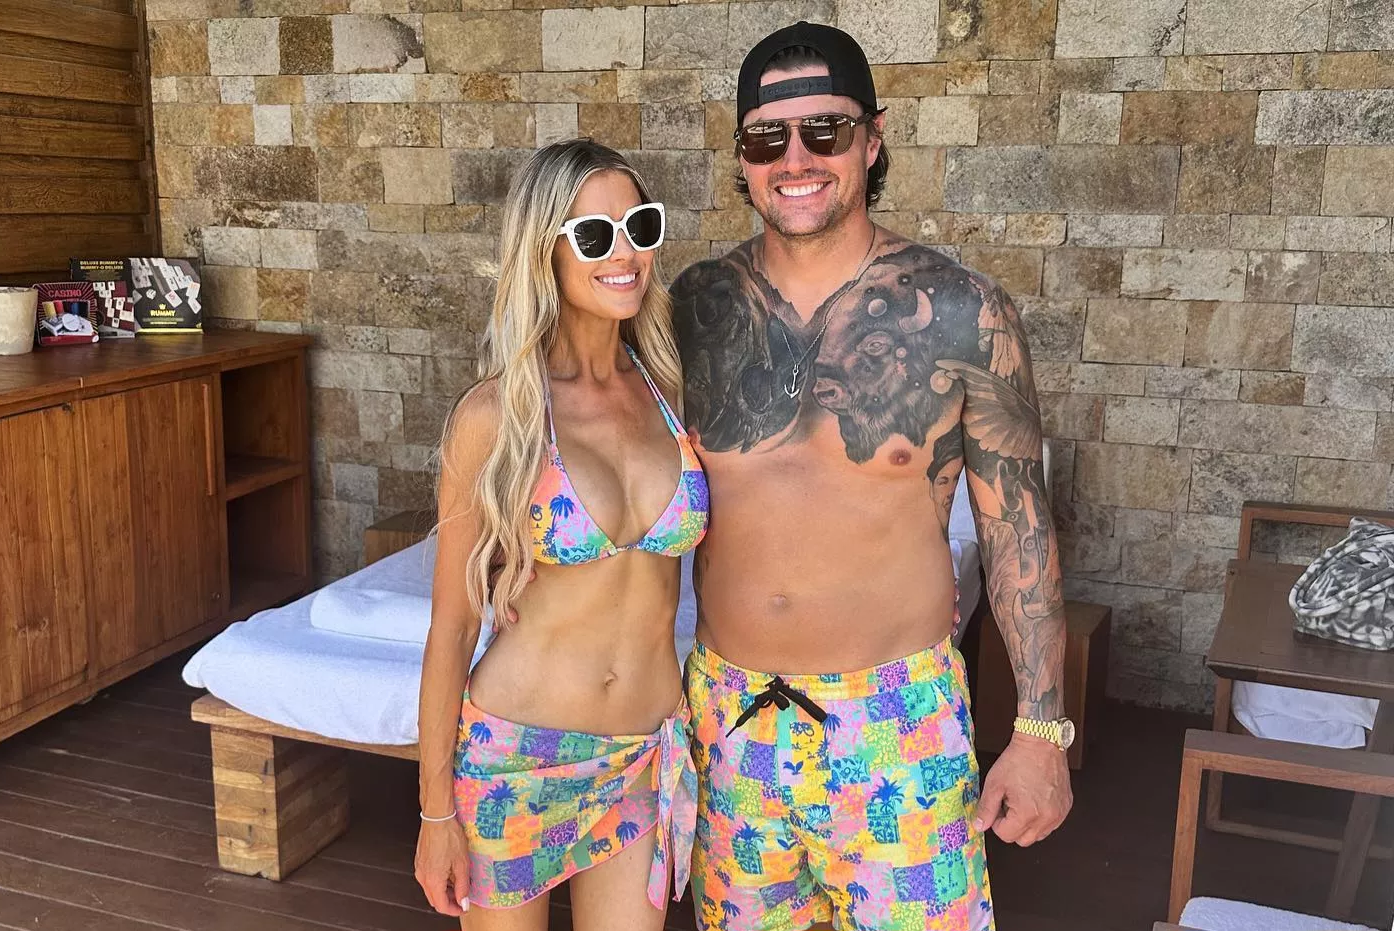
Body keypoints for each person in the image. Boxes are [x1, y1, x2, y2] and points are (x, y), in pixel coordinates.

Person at [668, 22, 1074, 930]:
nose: (796, 158)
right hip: (731, 724)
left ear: (873, 139)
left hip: (898, 728)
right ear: (741, 157)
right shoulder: (690, 312)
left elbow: (1018, 528)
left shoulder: (964, 312)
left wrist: (1042, 731)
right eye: (767, 138)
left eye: (826, 129)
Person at [414, 140, 705, 930]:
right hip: (517, 760)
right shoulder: (495, 415)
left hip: (639, 758)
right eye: (594, 235)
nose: (625, 253)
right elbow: (453, 626)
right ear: (544, 249)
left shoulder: (669, 387)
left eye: (640, 226)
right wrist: (435, 812)